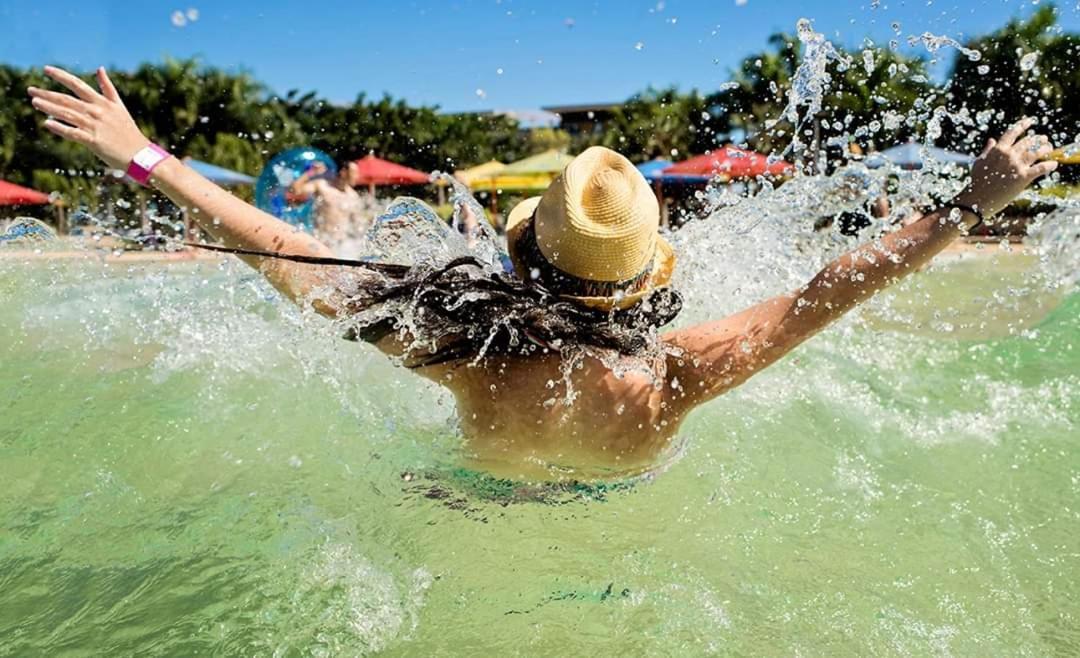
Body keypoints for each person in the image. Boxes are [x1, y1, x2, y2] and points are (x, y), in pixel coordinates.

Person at [28, 66, 1059, 483]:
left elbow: (283, 250)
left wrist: (142, 154)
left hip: (472, 507)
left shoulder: (461, 350)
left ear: (523, 253)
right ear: (647, 273)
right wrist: (967, 207)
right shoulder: (676, 375)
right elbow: (823, 290)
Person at [287, 159, 366, 243]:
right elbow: (294, 190)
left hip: (341, 246)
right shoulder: (322, 186)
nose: (357, 176)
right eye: (354, 173)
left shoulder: (353, 196)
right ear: (343, 172)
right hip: (321, 241)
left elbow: (357, 225)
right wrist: (311, 172)